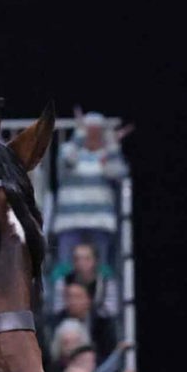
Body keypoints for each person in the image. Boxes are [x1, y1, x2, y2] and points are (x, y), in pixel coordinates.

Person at [51, 111, 130, 266]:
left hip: (100, 223)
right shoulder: (68, 150)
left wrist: (112, 146)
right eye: (89, 130)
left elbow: (117, 173)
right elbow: (67, 162)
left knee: (100, 269)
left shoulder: (109, 154)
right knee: (66, 269)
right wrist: (79, 136)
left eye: (97, 131)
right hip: (69, 222)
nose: (93, 135)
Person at [51, 242, 118, 321]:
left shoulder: (107, 283)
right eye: (77, 259)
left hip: (99, 326)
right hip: (68, 325)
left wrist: (84, 312)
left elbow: (111, 311)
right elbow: (57, 310)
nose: (81, 263)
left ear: (96, 261)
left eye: (87, 259)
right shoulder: (62, 282)